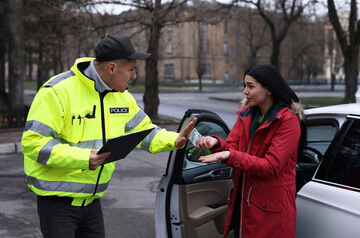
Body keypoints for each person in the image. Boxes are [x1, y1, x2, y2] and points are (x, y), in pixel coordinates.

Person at [21, 34, 196, 238]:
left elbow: (145, 132)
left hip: (92, 203)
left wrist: (174, 139)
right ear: (112, 67)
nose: (134, 76)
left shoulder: (121, 97)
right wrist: (83, 158)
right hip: (57, 203)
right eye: (131, 69)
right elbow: (33, 143)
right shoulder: (58, 91)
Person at [196, 64, 304, 238]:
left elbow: (271, 166)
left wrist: (230, 155)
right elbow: (231, 146)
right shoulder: (247, 115)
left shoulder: (288, 121)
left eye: (250, 86)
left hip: (271, 213)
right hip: (244, 204)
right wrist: (215, 143)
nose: (245, 91)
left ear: (268, 89)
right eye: (244, 86)